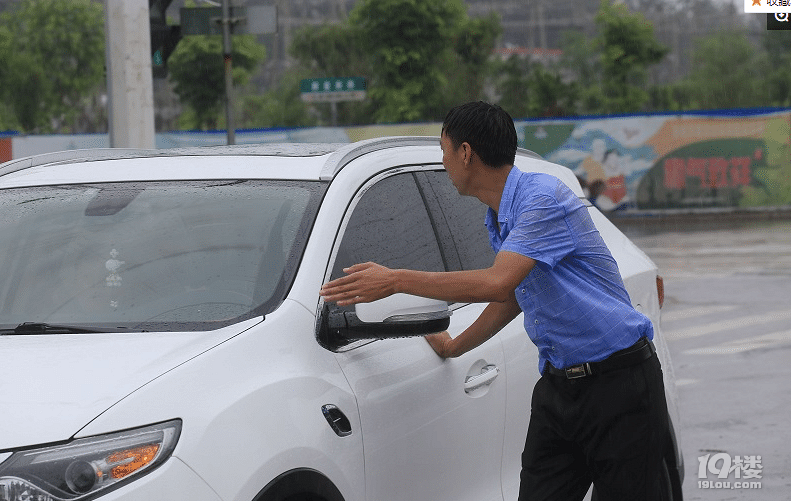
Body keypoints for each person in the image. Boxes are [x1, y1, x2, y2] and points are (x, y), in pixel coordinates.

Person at [320, 101, 670, 500]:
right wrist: (454, 345)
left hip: (619, 387)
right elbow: (516, 296)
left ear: (466, 153)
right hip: (559, 390)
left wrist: (397, 280)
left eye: (444, 149)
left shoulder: (542, 199)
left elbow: (497, 283)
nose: (444, 161)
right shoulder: (500, 216)